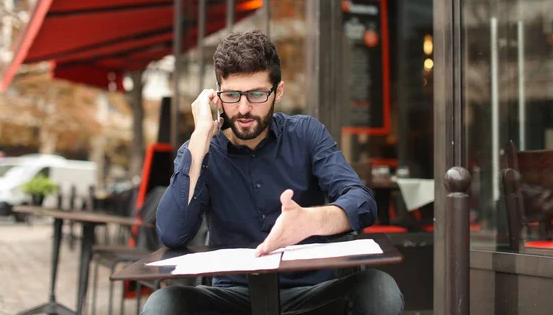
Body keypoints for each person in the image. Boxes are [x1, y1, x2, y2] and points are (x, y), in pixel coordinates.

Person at [143, 30, 403, 314]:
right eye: (231, 95)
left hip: (312, 296)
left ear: (277, 92)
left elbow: (362, 202)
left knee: (379, 288)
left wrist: (312, 221)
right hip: (233, 298)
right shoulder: (199, 148)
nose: (243, 108)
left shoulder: (305, 134)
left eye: (256, 94)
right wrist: (201, 136)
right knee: (162, 304)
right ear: (216, 97)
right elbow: (172, 233)